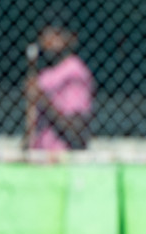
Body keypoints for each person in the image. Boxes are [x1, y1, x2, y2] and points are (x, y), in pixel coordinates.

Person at [24, 23, 94, 152]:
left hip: (65, 161)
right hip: (41, 159)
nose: (49, 41)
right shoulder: (43, 75)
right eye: (45, 35)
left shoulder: (75, 71)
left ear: (70, 39)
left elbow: (76, 132)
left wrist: (42, 99)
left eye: (56, 35)